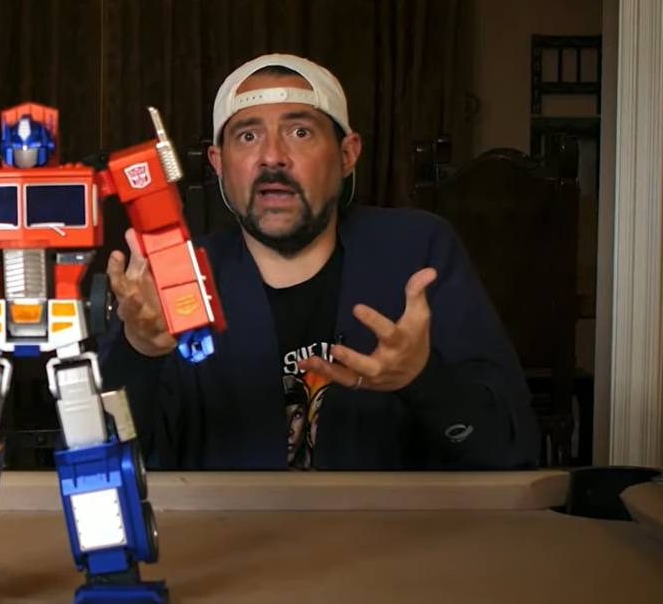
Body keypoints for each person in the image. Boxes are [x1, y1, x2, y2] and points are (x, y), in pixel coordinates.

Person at [100, 53, 538, 470]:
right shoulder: (174, 281)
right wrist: (138, 353)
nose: (272, 156)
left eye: (300, 132)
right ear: (219, 164)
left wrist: (422, 379)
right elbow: (104, 461)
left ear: (347, 155)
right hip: (231, 523)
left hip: (388, 523)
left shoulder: (418, 254)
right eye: (248, 136)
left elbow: (510, 450)